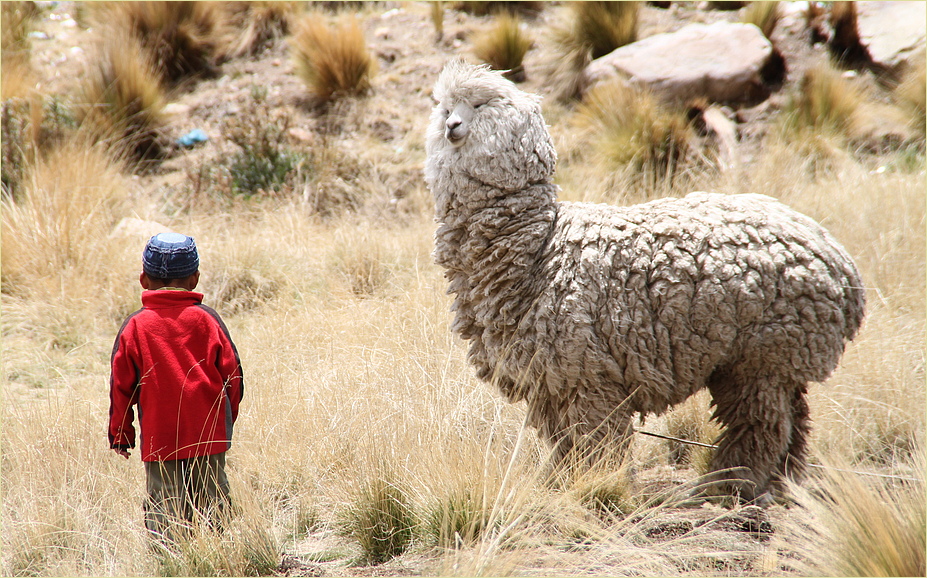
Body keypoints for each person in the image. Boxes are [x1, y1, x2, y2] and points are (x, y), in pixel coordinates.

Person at [108, 232, 243, 541]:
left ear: (144, 279)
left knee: (164, 512)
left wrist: (121, 434)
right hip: (208, 434)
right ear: (194, 279)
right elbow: (233, 377)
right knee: (214, 511)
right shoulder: (208, 321)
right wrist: (225, 422)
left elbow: (121, 386)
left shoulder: (135, 326)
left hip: (160, 439)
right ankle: (219, 565)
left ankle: (169, 566)